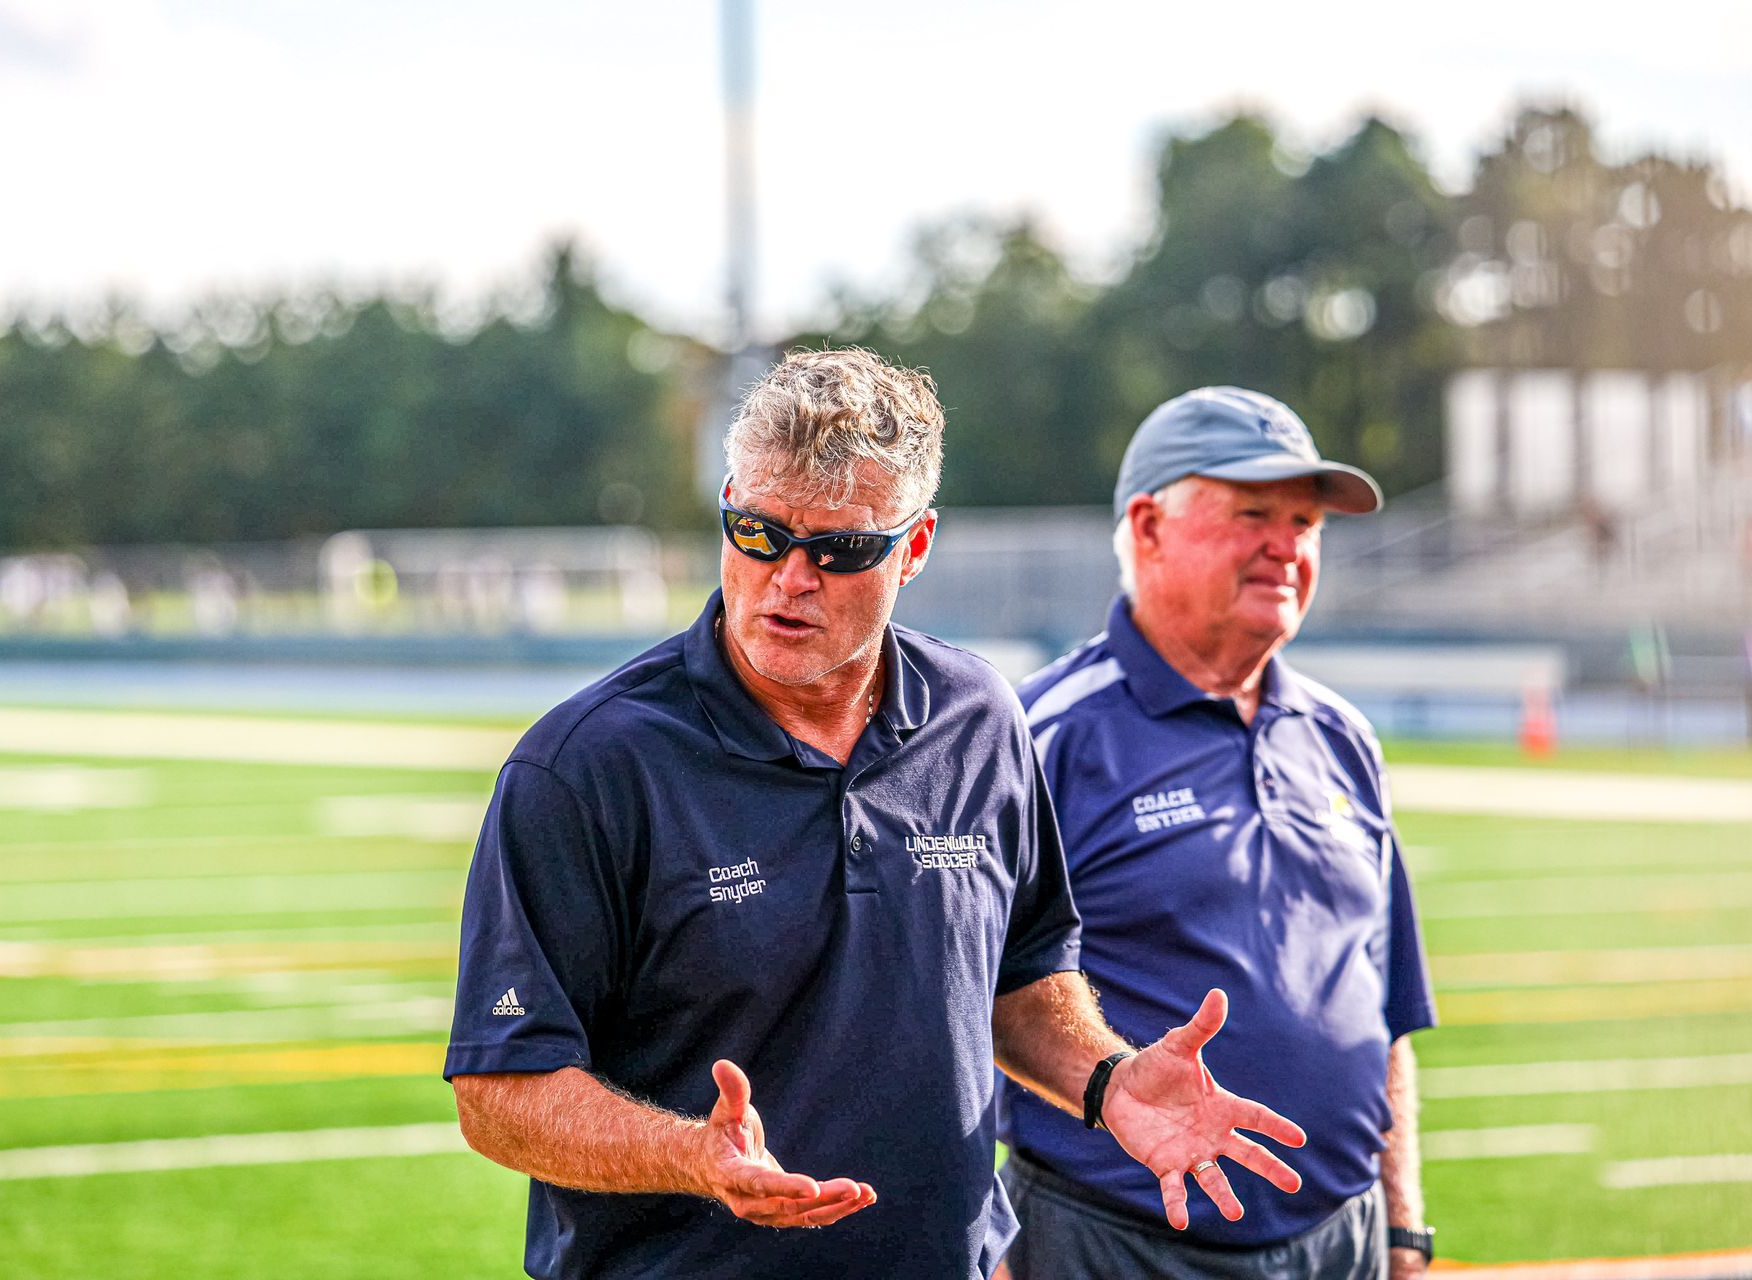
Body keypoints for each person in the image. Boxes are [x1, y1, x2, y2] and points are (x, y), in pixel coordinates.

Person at [445, 351, 1308, 1279]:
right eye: (758, 533)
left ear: (917, 546)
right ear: (730, 504)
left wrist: (1107, 1080)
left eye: (841, 550)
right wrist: (691, 1156)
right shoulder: (583, 765)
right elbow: (500, 1087)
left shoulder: (980, 718)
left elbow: (1021, 979)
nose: (789, 580)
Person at [1000, 387, 1439, 1280]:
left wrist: (1403, 1227)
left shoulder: (1341, 738)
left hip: (1342, 1241)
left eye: (1307, 523)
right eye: (1254, 514)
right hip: (1115, 1243)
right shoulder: (1040, 736)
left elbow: (1382, 1009)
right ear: (1149, 526)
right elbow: (954, 1007)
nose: (1288, 546)